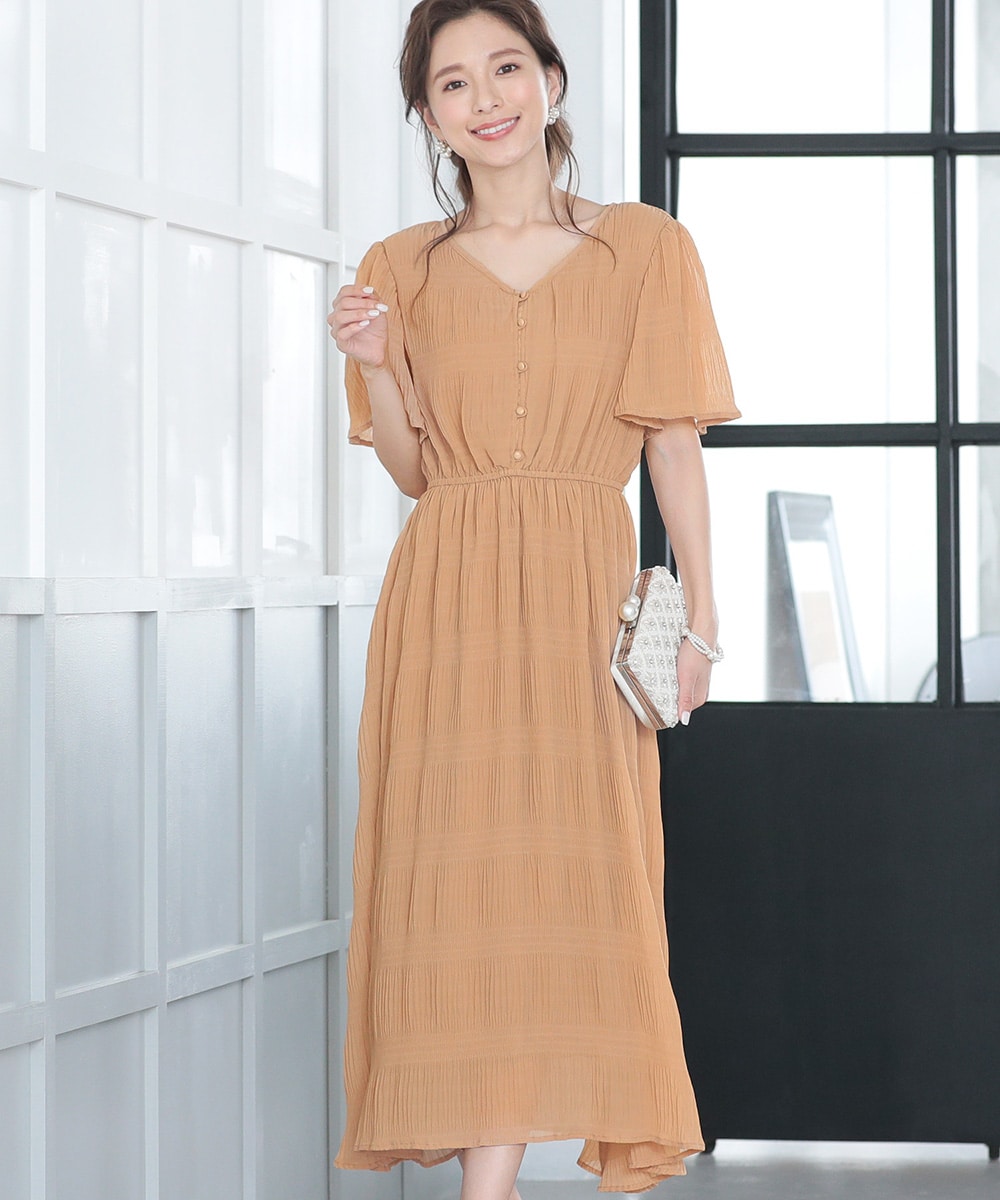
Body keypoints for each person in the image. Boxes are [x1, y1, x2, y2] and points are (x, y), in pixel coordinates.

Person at [328, 2, 740, 1196]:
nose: (486, 99)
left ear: (551, 79)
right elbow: (415, 472)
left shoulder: (645, 246)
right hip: (445, 603)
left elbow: (672, 444)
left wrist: (700, 621)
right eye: (452, 83)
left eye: (506, 67)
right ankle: (487, 1185)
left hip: (579, 597)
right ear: (427, 115)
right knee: (456, 893)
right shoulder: (397, 267)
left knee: (574, 877)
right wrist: (375, 367)